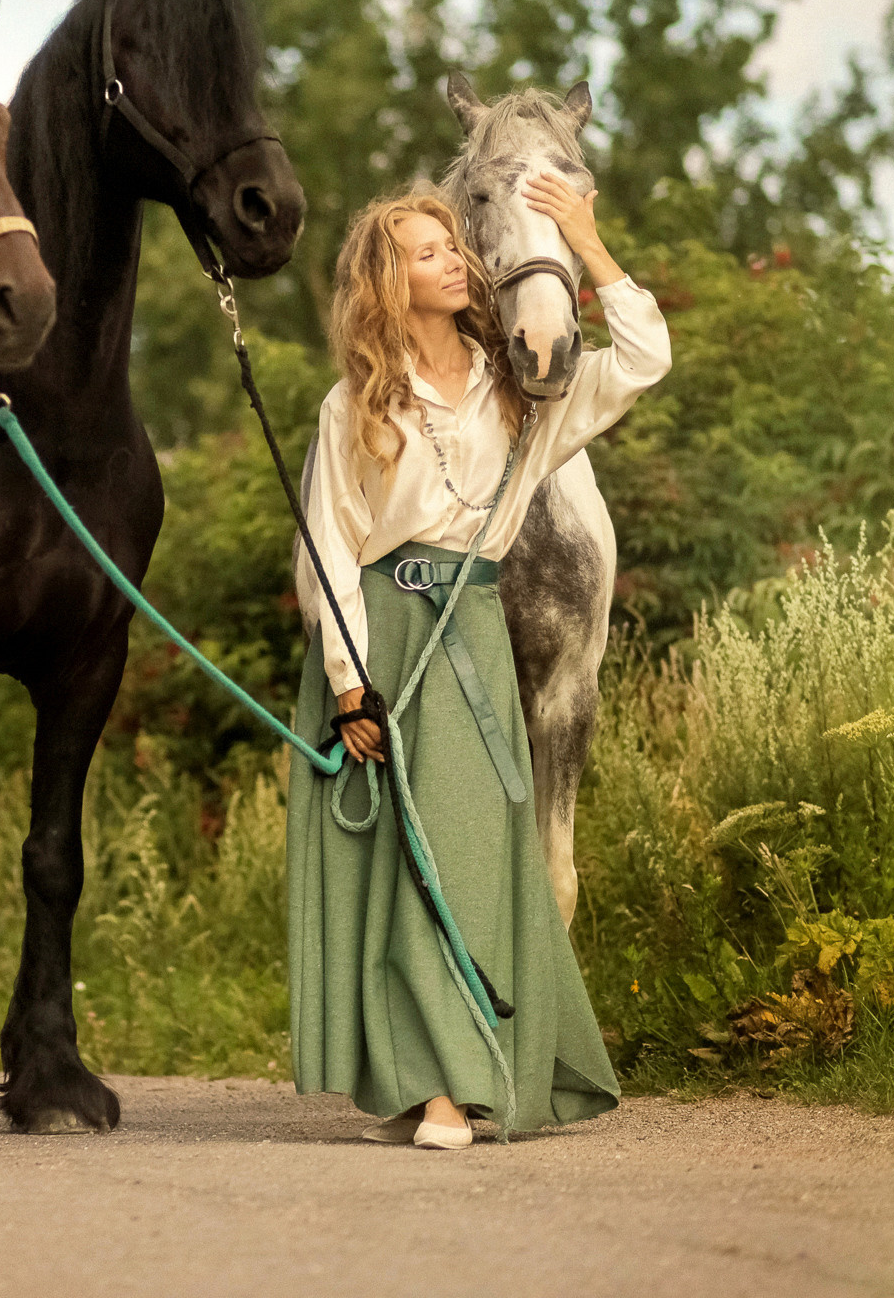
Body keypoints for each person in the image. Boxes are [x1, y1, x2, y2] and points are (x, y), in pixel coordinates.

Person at [287, 174, 670, 1148]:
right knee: (399, 868)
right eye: (429, 252)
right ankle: (437, 1090)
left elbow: (643, 359)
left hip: (470, 634)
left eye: (454, 248)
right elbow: (330, 546)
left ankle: (468, 1078)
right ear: (388, 280)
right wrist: (345, 683)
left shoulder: (520, 395)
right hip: (382, 639)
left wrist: (589, 245)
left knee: (463, 858)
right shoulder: (358, 404)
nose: (455, 261)